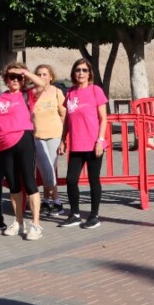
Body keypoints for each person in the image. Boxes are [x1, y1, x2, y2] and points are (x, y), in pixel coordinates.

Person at [0, 64, 43, 240]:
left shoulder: (27, 94)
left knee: (29, 182)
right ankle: (19, 222)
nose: (14, 80)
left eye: (18, 77)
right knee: (13, 184)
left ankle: (35, 225)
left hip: (23, 140)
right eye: (11, 77)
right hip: (3, 144)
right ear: (5, 79)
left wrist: (25, 72)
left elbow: (42, 84)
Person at [59, 58, 108, 230]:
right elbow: (67, 120)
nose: (81, 73)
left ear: (89, 73)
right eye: (78, 70)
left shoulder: (96, 91)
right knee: (71, 180)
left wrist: (100, 141)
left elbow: (103, 119)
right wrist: (63, 140)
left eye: (84, 70)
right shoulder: (70, 93)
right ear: (73, 73)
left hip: (94, 144)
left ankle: (94, 216)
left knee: (94, 180)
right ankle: (75, 214)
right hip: (76, 145)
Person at [29, 64, 66, 217]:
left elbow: (64, 115)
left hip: (54, 134)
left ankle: (49, 201)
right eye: (39, 74)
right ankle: (53, 200)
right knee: (45, 169)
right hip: (36, 135)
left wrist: (63, 139)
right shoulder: (32, 93)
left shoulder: (57, 92)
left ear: (51, 77)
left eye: (45, 74)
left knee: (49, 169)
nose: (42, 77)